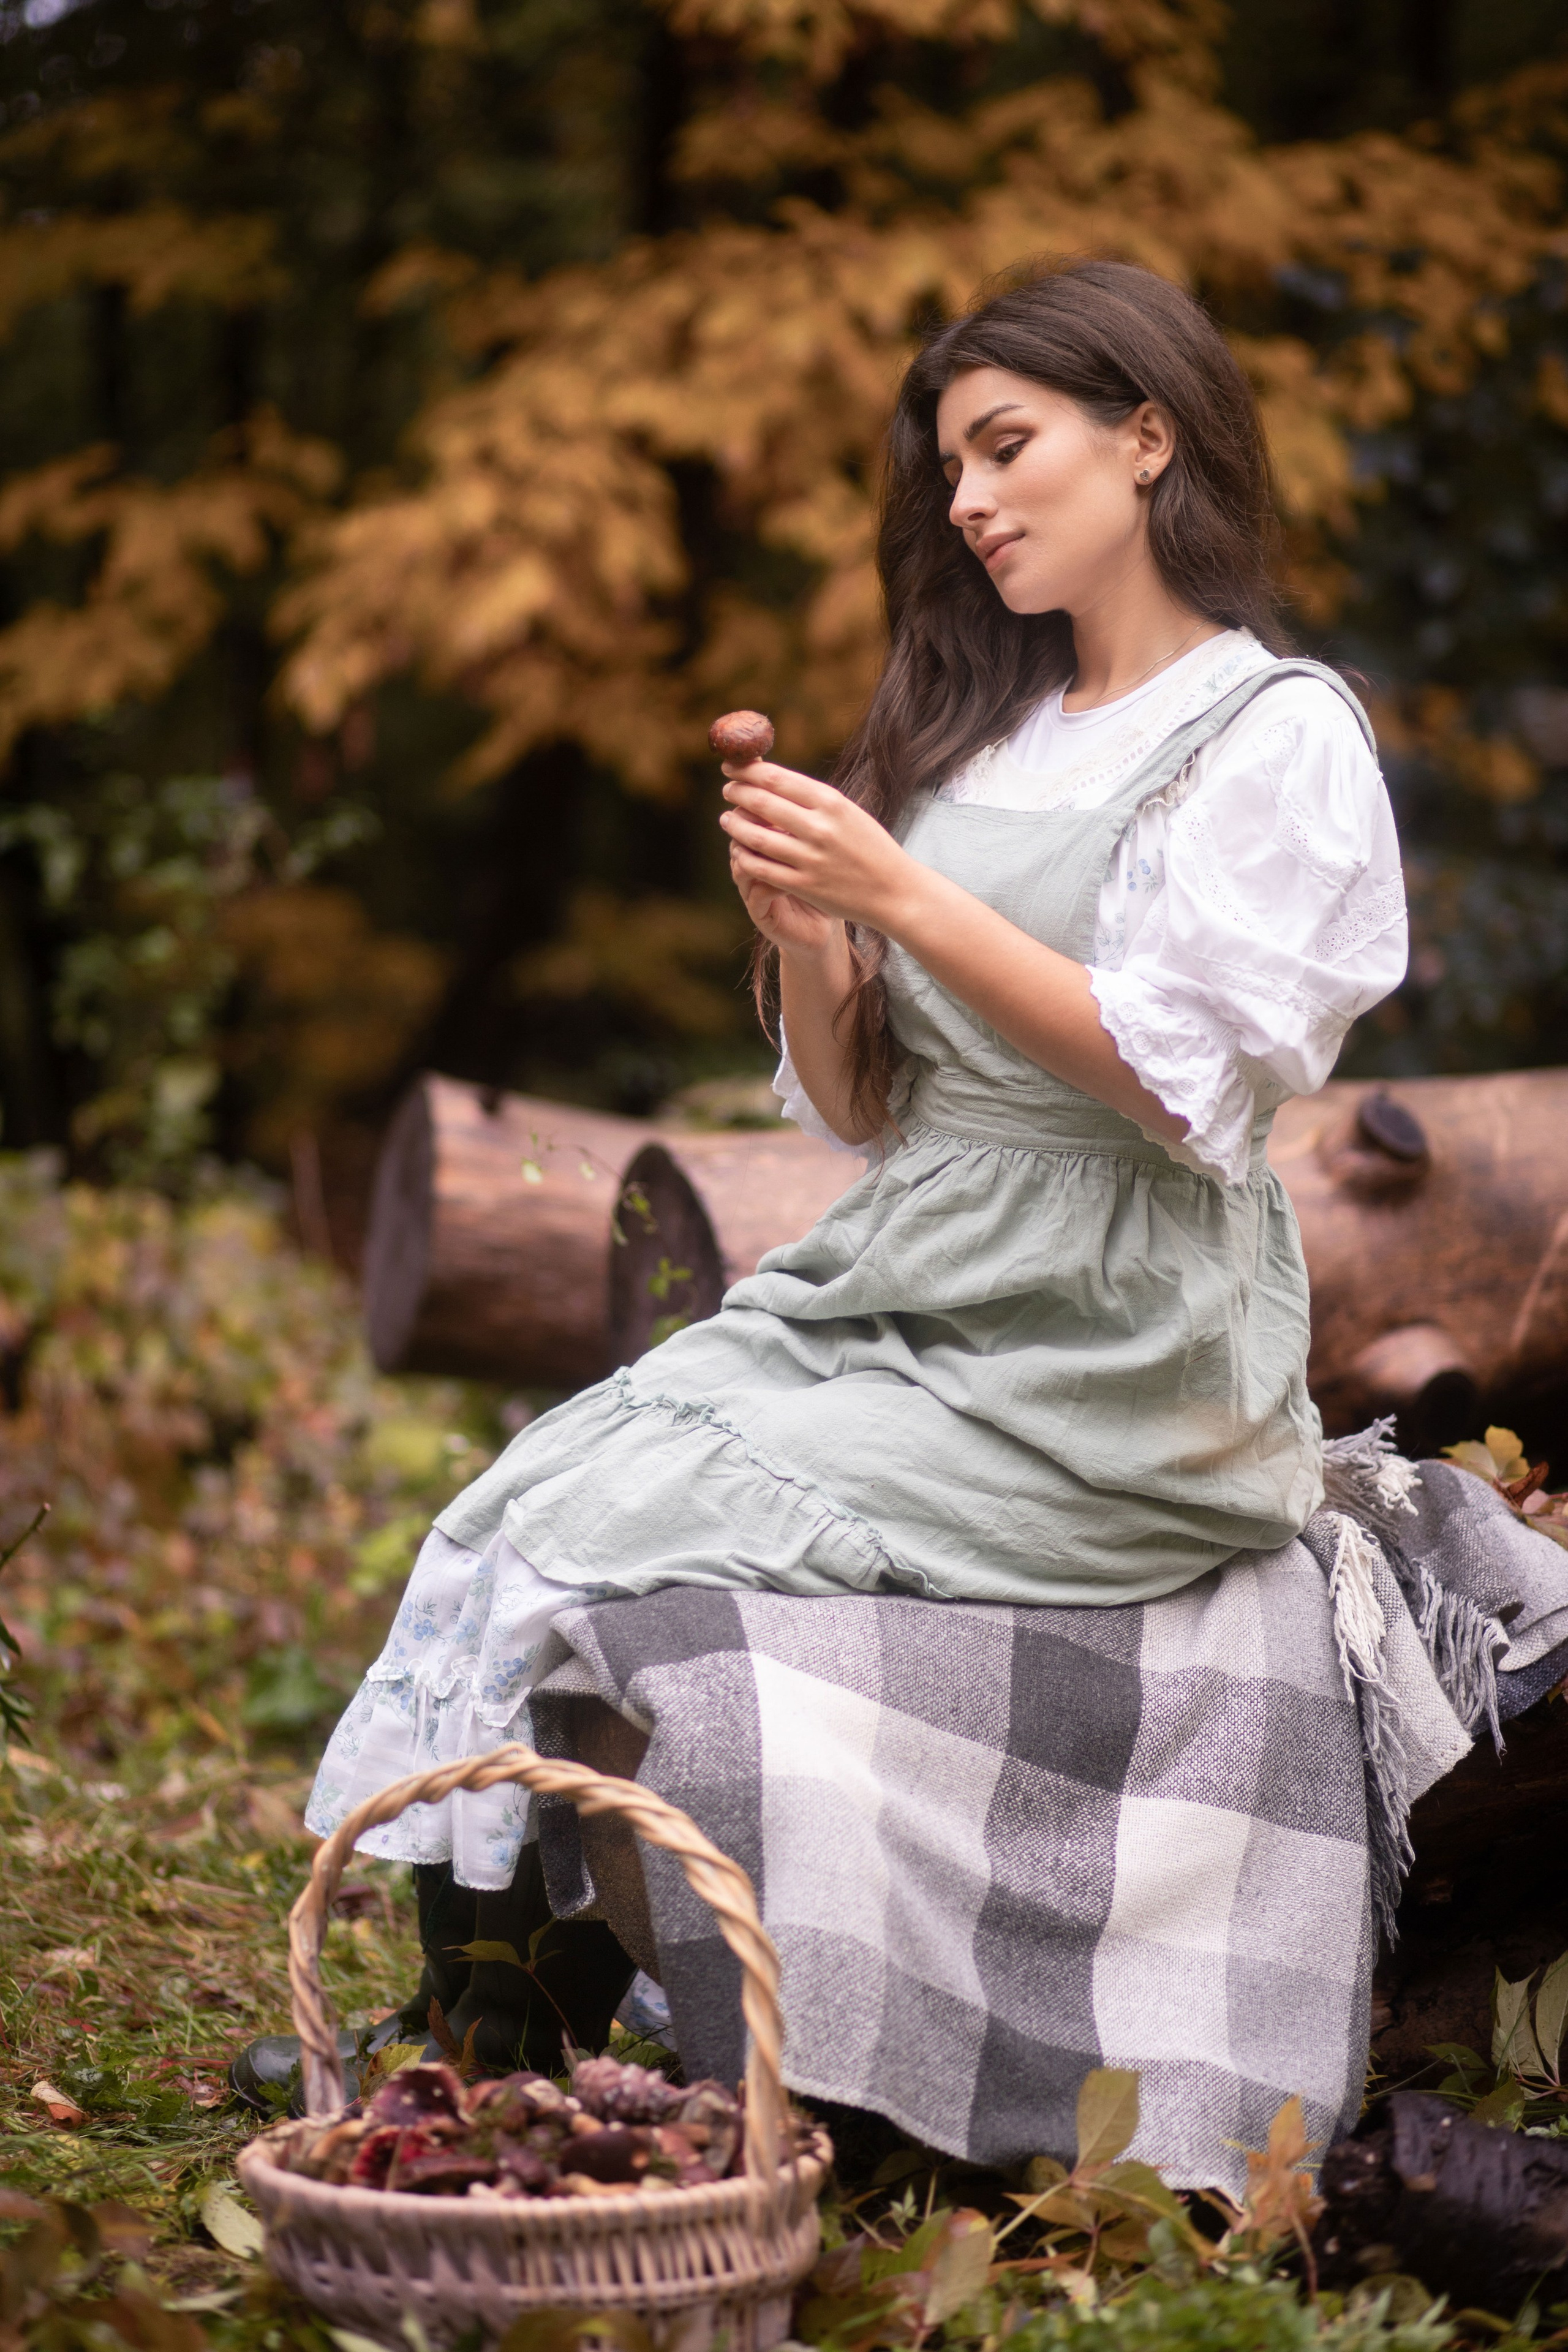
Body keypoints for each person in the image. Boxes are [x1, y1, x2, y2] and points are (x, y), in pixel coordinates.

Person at [236, 257, 1406, 2104]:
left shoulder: (1271, 735)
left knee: (590, 1537)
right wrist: (808, 940)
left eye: (1008, 448)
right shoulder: (986, 723)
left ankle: (490, 2041)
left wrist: (901, 896)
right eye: (953, 466)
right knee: (519, 1512)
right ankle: (480, 2038)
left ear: (1152, 436)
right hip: (917, 1271)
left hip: (1114, 1342)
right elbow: (868, 1112)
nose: (970, 501)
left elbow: (1180, 1088)